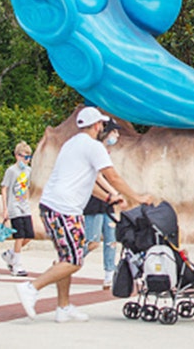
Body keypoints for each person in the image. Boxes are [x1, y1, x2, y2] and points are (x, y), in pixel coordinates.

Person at [15, 107, 152, 323]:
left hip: (56, 206)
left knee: (65, 258)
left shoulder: (72, 143)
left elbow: (87, 181)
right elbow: (113, 177)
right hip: (63, 209)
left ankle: (63, 307)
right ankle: (31, 288)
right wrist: (138, 196)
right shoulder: (93, 147)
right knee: (74, 260)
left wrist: (109, 198)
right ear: (97, 125)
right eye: (102, 125)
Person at [83, 119, 122, 289]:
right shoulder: (94, 150)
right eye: (114, 132)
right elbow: (97, 176)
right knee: (92, 241)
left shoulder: (106, 152)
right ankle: (68, 260)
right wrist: (114, 193)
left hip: (108, 202)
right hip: (95, 201)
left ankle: (109, 274)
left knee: (111, 239)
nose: (117, 136)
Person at [1, 141, 35, 277]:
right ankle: (17, 264)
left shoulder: (28, 171)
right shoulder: (11, 171)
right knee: (19, 235)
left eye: (28, 157)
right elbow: (4, 188)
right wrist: (5, 208)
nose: (25, 160)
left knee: (29, 234)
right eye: (23, 157)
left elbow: (27, 187)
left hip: (24, 205)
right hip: (14, 205)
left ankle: (11, 254)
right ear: (17, 156)